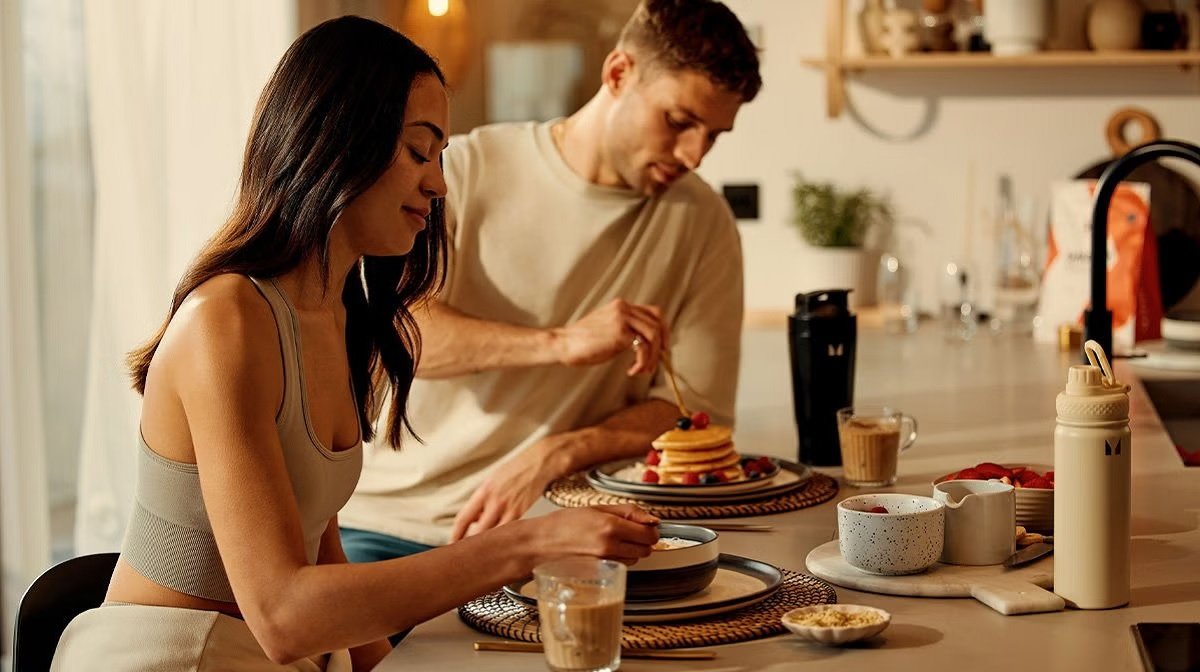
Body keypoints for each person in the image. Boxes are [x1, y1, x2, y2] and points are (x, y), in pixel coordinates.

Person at [51, 17, 659, 672]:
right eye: (418, 152)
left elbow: (320, 555)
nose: (438, 185)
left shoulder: (338, 317)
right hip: (175, 660)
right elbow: (285, 616)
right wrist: (527, 546)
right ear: (335, 141)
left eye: (440, 157)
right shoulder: (224, 321)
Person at [339, 0, 762, 560]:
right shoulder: (463, 171)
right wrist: (561, 344)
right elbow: (399, 329)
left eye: (713, 135)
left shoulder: (703, 222)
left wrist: (559, 452)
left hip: (554, 532)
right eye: (679, 121)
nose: (695, 154)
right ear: (618, 74)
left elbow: (690, 411)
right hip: (391, 523)